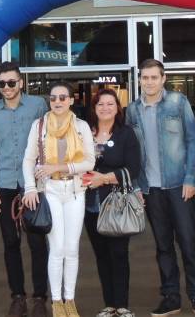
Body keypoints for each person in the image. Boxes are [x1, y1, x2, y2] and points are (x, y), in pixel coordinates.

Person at [124, 59, 195, 317]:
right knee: (163, 247)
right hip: (150, 189)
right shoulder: (133, 110)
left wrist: (190, 178)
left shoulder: (178, 102)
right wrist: (136, 186)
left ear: (163, 79)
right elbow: (132, 151)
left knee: (188, 243)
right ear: (140, 80)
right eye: (145, 77)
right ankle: (171, 297)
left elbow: (193, 140)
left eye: (154, 77)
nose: (149, 82)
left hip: (178, 186)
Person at [22, 82, 95, 317]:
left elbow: (89, 162)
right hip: (50, 190)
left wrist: (59, 167)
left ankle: (69, 299)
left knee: (72, 248)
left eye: (63, 97)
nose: (58, 102)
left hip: (75, 191)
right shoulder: (39, 125)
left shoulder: (81, 127)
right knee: (57, 248)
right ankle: (56, 301)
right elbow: (28, 159)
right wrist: (30, 188)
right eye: (53, 98)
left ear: (71, 100)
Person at [0, 62, 49, 317]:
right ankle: (18, 296)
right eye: (2, 83)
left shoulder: (37, 105)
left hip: (32, 184)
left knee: (37, 242)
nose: (7, 87)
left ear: (21, 82)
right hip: (4, 185)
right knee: (10, 242)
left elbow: (48, 140)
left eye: (11, 82)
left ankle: (40, 297)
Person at [83, 88, 141, 317]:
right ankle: (109, 305)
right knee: (101, 255)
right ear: (94, 108)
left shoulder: (126, 134)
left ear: (118, 108)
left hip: (117, 203)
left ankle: (122, 305)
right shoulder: (85, 133)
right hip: (91, 204)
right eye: (100, 104)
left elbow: (133, 169)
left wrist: (104, 178)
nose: (105, 108)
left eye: (110, 104)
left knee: (118, 254)